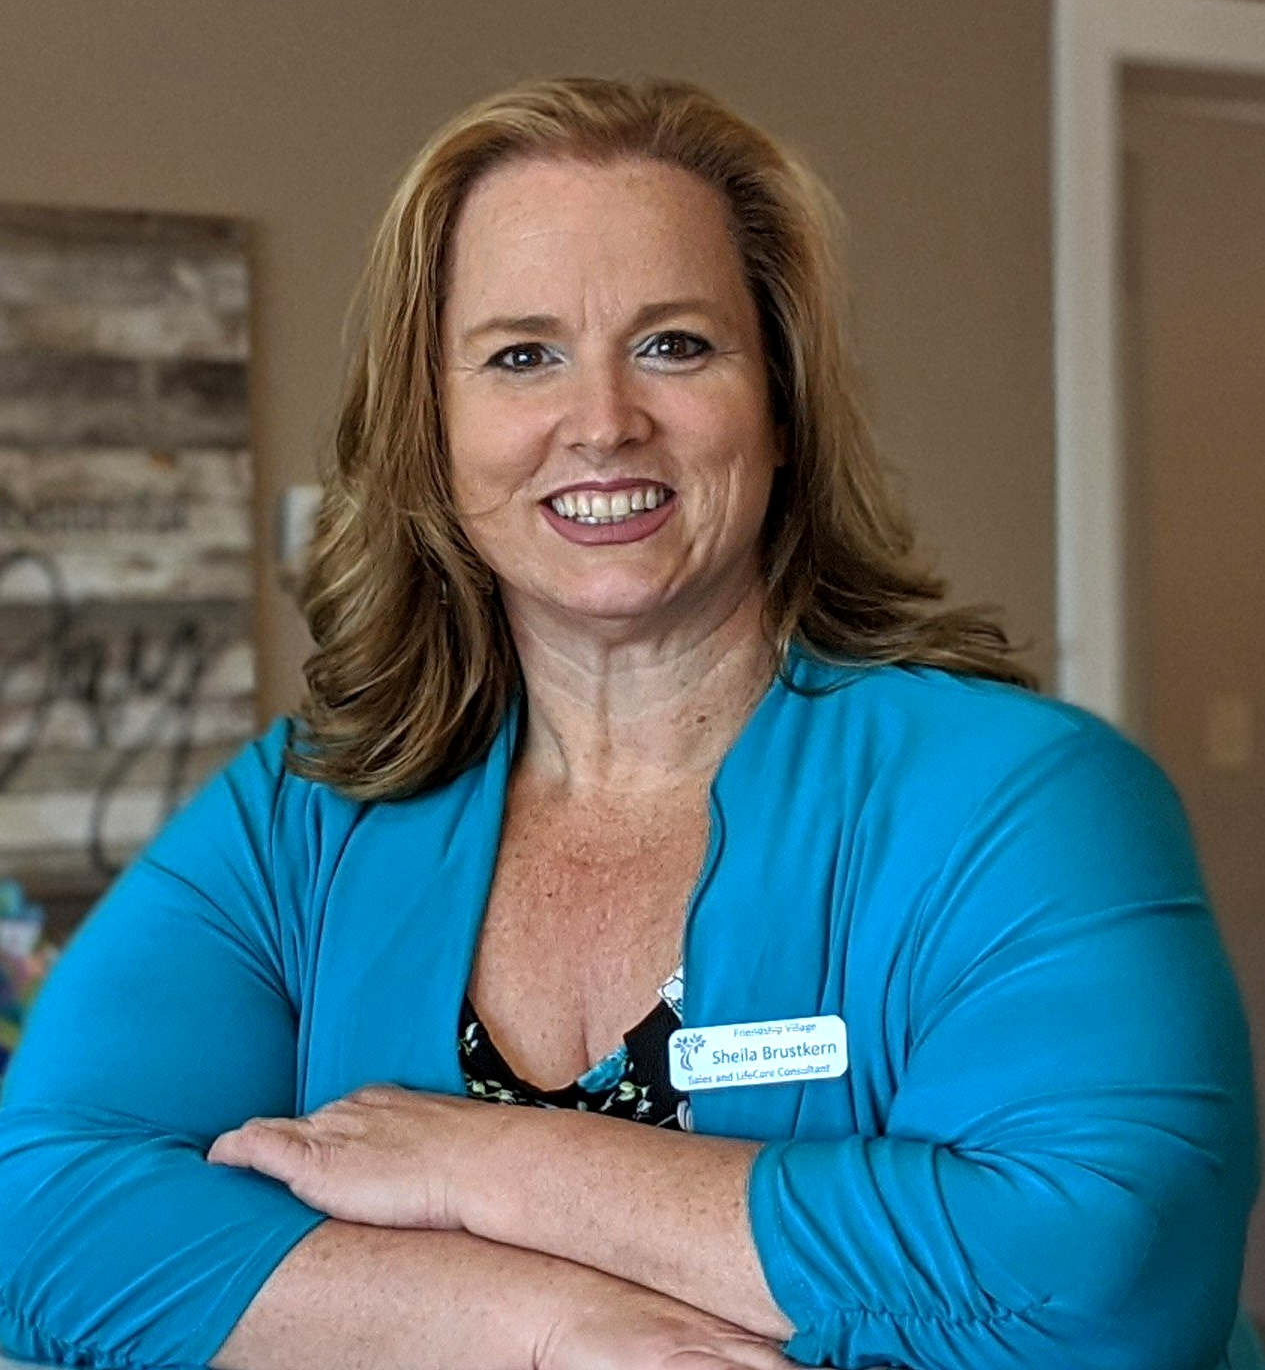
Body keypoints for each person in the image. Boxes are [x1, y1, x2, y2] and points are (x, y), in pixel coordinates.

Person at [0, 75, 1260, 1370]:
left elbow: (1104, 1284)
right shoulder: (303, 823)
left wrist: (496, 1167)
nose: (602, 422)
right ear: (432, 432)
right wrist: (545, 1324)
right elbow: (36, 1212)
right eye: (521, 355)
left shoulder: (1022, 802)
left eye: (675, 344)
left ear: (781, 408)